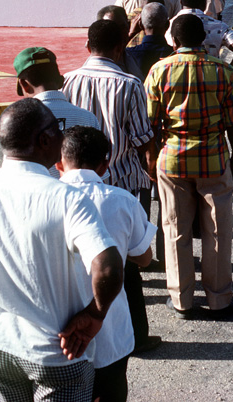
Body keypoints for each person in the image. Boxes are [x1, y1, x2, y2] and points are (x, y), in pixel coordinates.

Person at [0, 98, 122, 402]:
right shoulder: (67, 198)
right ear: (43, 140)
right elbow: (108, 266)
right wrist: (95, 314)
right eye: (58, 128)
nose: (62, 135)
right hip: (57, 351)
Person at [145, 14, 233, 319]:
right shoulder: (223, 70)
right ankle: (219, 298)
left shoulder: (159, 71)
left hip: (172, 160)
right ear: (203, 39)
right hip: (214, 159)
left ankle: (181, 300)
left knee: (175, 228)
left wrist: (152, 158)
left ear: (173, 40)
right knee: (218, 230)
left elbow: (150, 124)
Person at [63, 19, 158, 353]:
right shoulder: (131, 84)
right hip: (124, 186)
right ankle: (134, 337)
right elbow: (142, 138)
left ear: (88, 46)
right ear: (121, 47)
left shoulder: (68, 81)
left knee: (84, 264)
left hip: (76, 186)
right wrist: (152, 171)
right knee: (128, 266)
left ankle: (87, 334)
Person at [58, 126, 157, 402]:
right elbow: (144, 257)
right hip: (110, 327)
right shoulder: (122, 200)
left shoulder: (44, 200)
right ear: (105, 165)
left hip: (59, 332)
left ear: (58, 162)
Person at [13, 45, 101, 178]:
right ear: (61, 81)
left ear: (24, 85)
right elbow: (98, 171)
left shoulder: (19, 120)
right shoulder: (88, 118)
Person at [165, 0, 233, 72]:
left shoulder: (168, 26)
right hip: (211, 81)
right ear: (205, 3)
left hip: (176, 80)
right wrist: (227, 74)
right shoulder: (219, 26)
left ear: (181, 1)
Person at [97, 4, 145, 81]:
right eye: (111, 29)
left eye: (122, 27)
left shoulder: (130, 56)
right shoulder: (99, 65)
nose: (118, 32)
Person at [126, 2, 172, 78]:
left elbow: (113, 57)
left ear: (140, 25)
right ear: (167, 25)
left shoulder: (130, 54)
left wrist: (131, 33)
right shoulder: (172, 54)